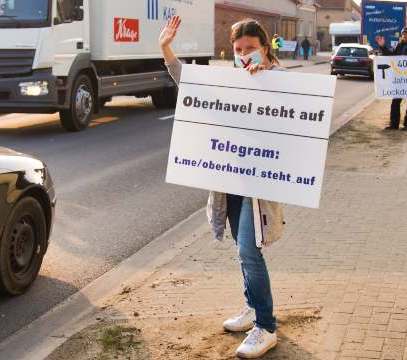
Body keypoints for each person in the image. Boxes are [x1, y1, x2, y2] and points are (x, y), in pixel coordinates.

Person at [160, 16, 285, 359]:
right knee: (242, 248)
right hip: (230, 178)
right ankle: (252, 307)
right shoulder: (231, 80)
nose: (245, 56)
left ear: (265, 48)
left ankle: (266, 325)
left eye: (251, 49)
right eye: (238, 50)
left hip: (258, 185)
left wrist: (267, 85)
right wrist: (166, 48)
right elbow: (190, 81)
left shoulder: (280, 80)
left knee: (249, 248)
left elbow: (300, 112)